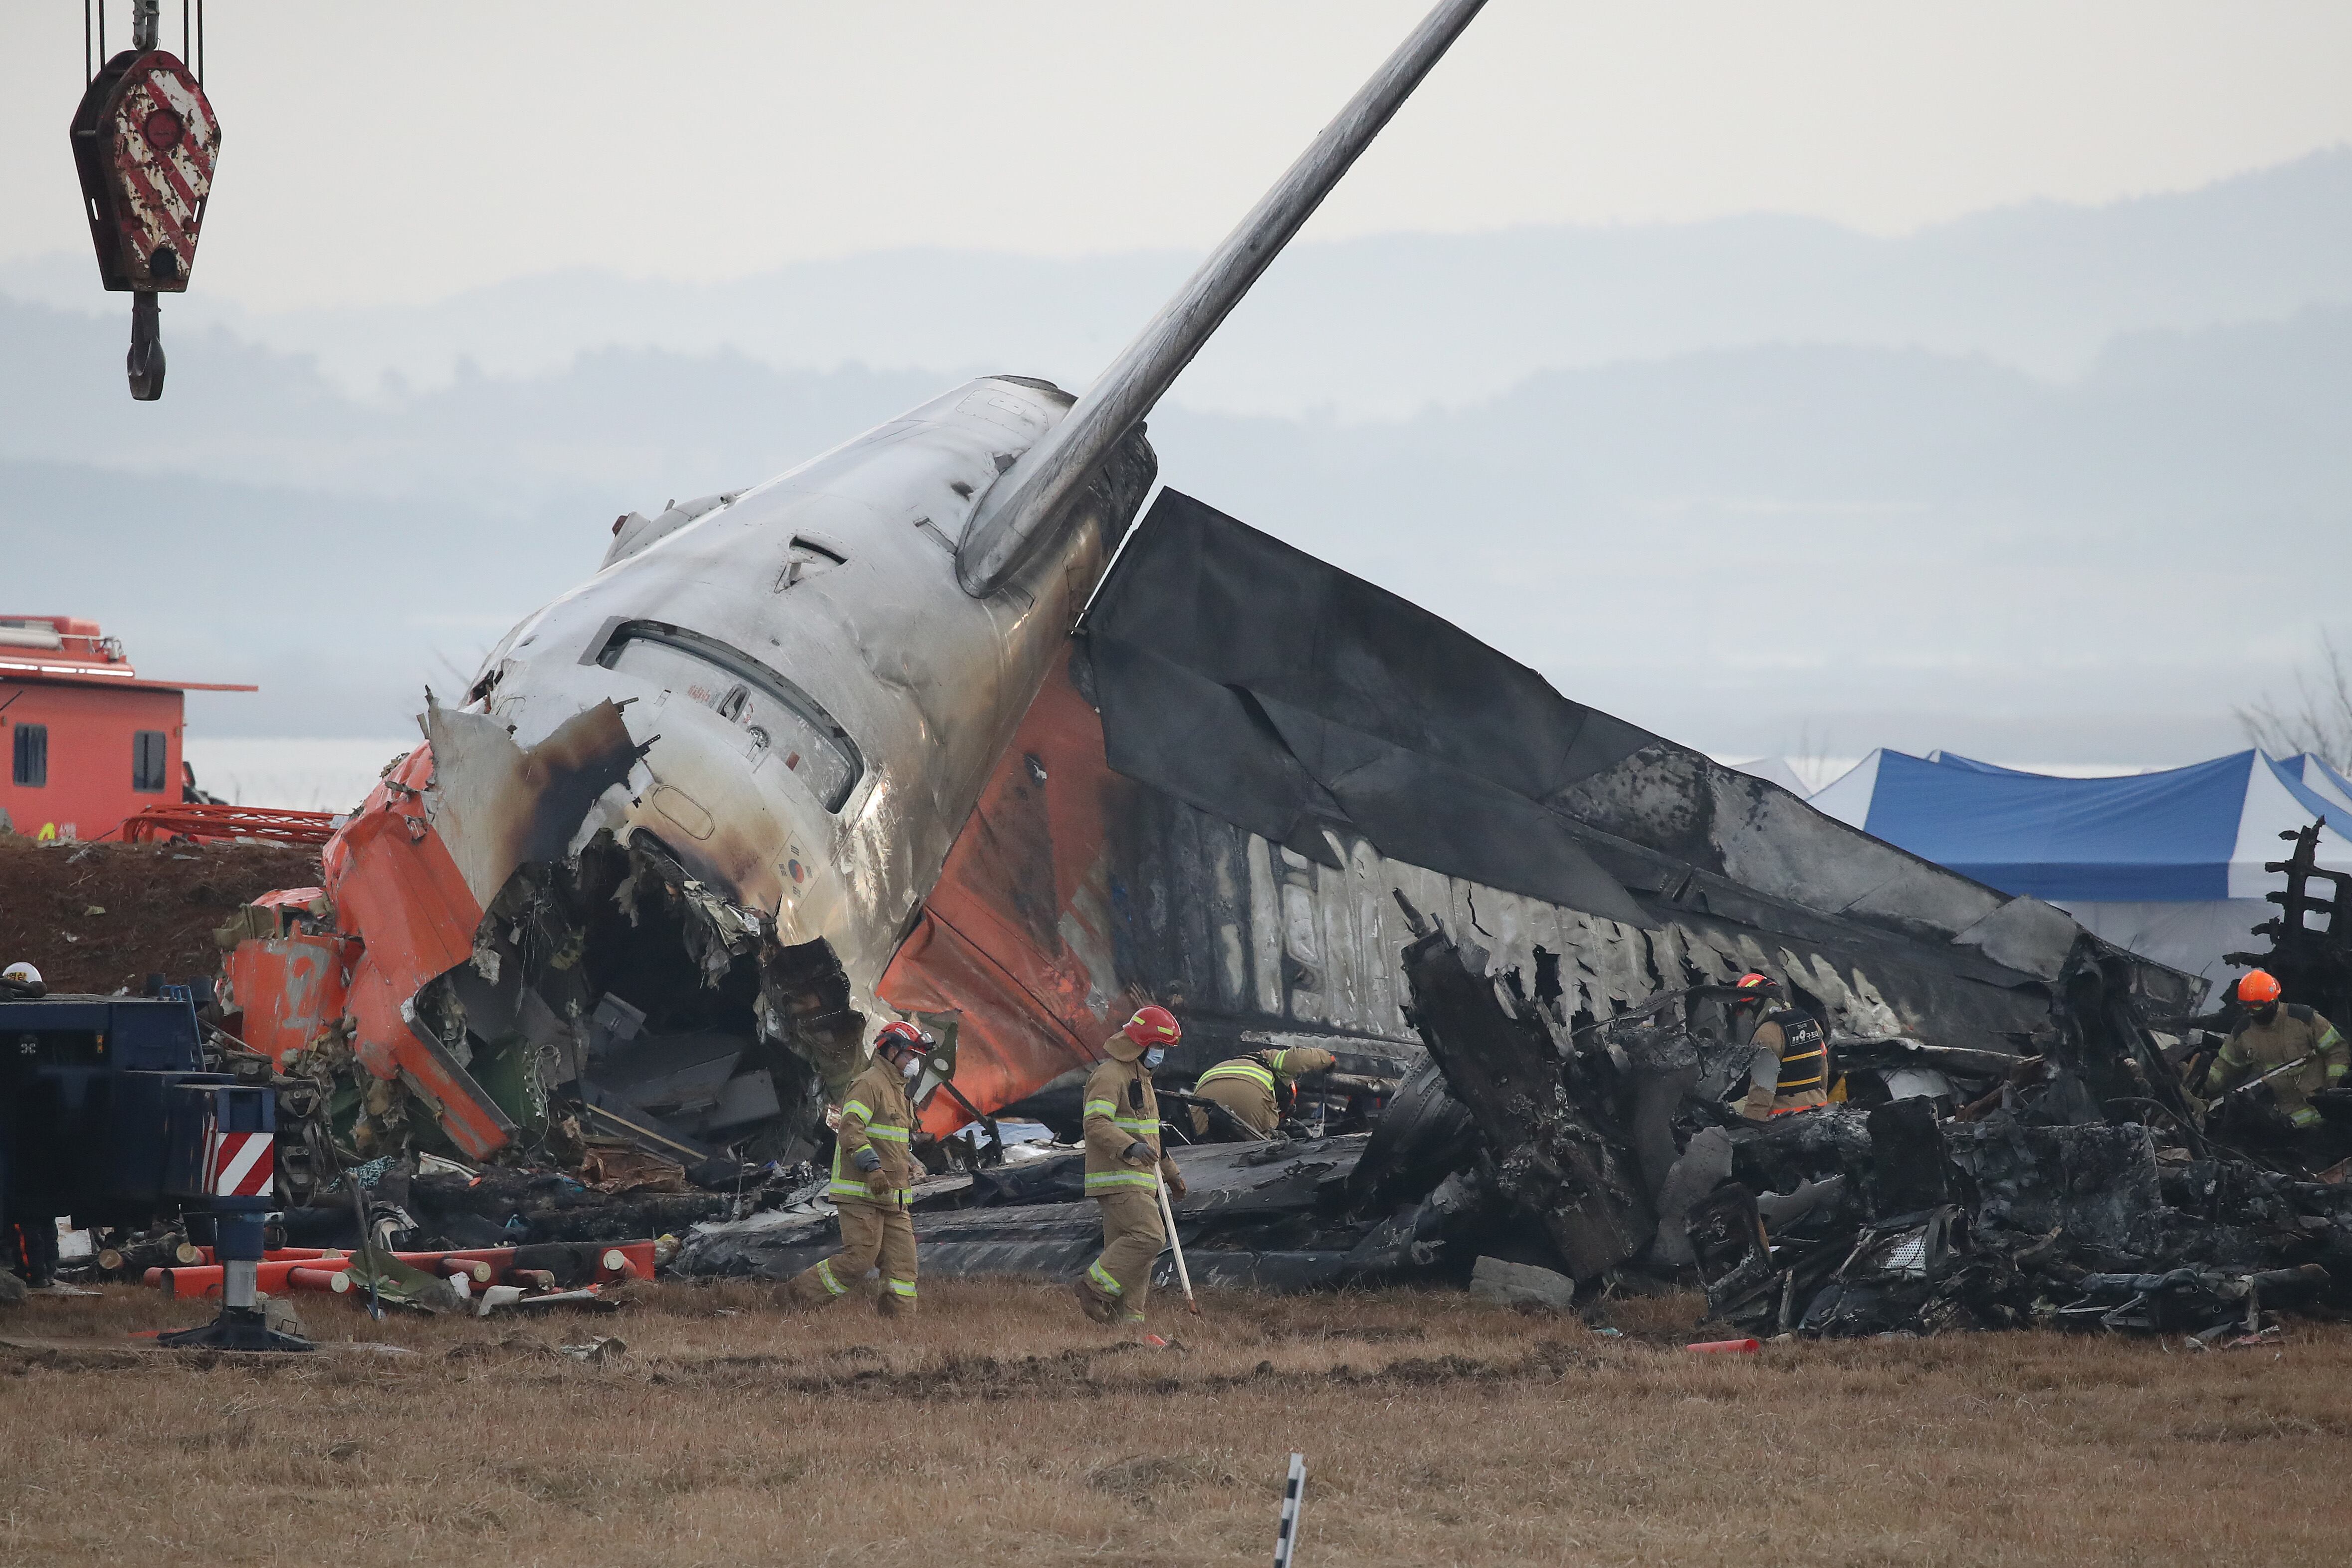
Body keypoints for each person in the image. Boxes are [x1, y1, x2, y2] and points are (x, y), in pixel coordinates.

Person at [779, 1021, 933, 1317]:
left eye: (916, 1057)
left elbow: (892, 1141)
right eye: (910, 1055)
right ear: (890, 1051)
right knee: (858, 1261)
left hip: (894, 1198)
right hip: (862, 1192)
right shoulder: (869, 1084)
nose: (914, 1063)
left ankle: (899, 1329)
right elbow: (850, 1130)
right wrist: (873, 1169)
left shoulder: (899, 1091)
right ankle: (791, 1302)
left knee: (902, 1265)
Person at [1073, 1005, 1187, 1325]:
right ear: (1142, 1044)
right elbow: (1095, 1123)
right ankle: (1093, 1289)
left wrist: (1172, 1175)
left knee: (1136, 1256)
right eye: (1160, 1047)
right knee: (1150, 1237)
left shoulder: (1142, 1078)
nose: (1162, 1055)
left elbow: (1149, 1137)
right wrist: (1130, 1147)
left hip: (1140, 1177)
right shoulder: (1110, 1075)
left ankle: (1127, 1323)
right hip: (1119, 1175)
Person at [2208, 969, 2347, 1133]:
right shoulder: (2243, 1032)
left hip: (2330, 1112)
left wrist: (2334, 1090)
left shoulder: (2304, 1019)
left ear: (2273, 1000)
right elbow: (2225, 1065)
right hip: (2289, 1120)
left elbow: (2337, 1050)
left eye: (2258, 1007)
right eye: (2247, 1008)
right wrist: (2203, 1085)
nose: (2252, 1013)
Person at [1729, 972, 1829, 1121]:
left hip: (1784, 1113)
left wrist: (1751, 1125)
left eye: (1746, 1010)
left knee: (1728, 1111)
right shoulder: (1810, 1022)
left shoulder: (1766, 1034)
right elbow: (1824, 1069)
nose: (1748, 1017)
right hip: (1818, 1106)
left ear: (1756, 1004)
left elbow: (1762, 1090)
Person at [1189, 1045, 1337, 1138]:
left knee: (1201, 1142)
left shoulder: (1233, 1063)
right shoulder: (1271, 1059)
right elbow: (1299, 1058)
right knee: (1262, 1146)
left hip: (1201, 1099)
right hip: (1250, 1096)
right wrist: (1328, 1059)